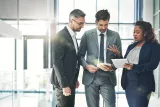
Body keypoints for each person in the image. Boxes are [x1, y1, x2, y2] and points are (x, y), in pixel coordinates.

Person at [79, 9, 122, 107]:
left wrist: (115, 60)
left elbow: (120, 59)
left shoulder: (115, 36)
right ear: (96, 22)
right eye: (101, 25)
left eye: (106, 25)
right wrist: (86, 66)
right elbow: (80, 56)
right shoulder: (87, 35)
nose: (103, 28)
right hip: (91, 77)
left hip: (108, 78)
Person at [50, 9, 86, 107]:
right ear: (71, 21)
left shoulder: (72, 36)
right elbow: (57, 62)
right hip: (63, 83)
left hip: (70, 81)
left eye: (83, 23)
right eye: (80, 23)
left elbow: (72, 60)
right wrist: (64, 85)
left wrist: (75, 78)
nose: (82, 26)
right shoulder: (60, 36)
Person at [121, 21, 160, 107]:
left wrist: (134, 67)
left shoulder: (154, 46)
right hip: (129, 84)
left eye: (137, 32)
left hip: (143, 85)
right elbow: (125, 62)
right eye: (134, 32)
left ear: (145, 33)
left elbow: (153, 64)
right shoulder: (131, 46)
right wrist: (118, 55)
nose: (135, 34)